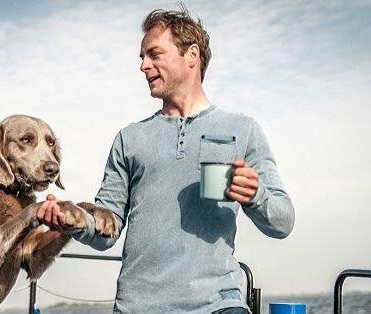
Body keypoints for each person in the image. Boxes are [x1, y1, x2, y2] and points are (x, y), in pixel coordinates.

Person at [37, 5, 294, 314]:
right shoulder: (129, 139)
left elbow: (283, 222)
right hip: (137, 307)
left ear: (192, 56)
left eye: (154, 55)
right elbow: (108, 228)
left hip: (218, 305)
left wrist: (256, 195)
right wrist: (72, 221)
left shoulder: (242, 130)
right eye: (142, 58)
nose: (144, 66)